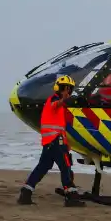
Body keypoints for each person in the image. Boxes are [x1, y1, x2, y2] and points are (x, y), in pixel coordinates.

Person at [17, 75, 86, 207]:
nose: (67, 91)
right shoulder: (53, 100)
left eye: (69, 89)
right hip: (55, 141)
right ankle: (71, 196)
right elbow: (56, 105)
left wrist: (66, 142)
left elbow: (59, 126)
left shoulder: (59, 105)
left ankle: (26, 193)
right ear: (59, 88)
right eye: (65, 88)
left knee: (42, 167)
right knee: (65, 166)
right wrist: (64, 99)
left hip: (51, 141)